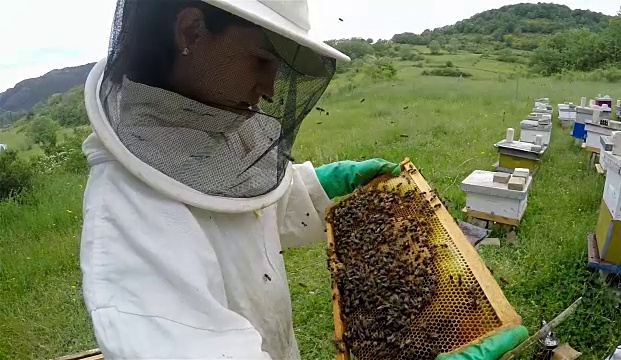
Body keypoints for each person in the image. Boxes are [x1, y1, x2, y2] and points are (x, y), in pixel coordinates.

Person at [80, 0, 527, 359]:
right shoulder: (126, 220)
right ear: (192, 30)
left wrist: (318, 187)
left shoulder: (207, 127)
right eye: (262, 60)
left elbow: (238, 205)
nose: (271, 89)